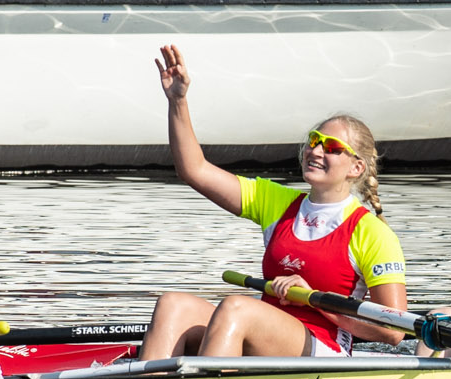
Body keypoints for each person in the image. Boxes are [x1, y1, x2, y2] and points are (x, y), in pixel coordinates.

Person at [138, 45, 408, 357]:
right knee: (174, 305)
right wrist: (178, 101)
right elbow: (194, 170)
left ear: (357, 167)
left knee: (237, 308)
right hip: (265, 332)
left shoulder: (372, 232)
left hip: (324, 347)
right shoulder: (278, 202)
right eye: (314, 142)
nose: (316, 151)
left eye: (331, 148)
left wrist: (312, 298)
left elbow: (394, 331)